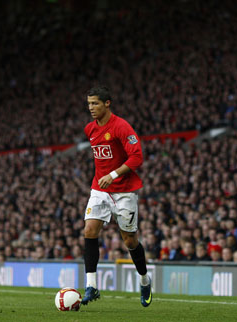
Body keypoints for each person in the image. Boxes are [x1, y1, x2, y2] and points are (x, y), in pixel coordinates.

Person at [81, 86, 151, 307]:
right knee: (90, 230)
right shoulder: (90, 129)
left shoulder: (121, 127)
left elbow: (137, 157)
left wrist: (112, 175)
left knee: (130, 241)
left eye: (95, 103)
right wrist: (105, 178)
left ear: (107, 104)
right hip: (100, 189)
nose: (91, 108)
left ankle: (144, 279)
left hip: (124, 191)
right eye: (89, 103)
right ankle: (91, 285)